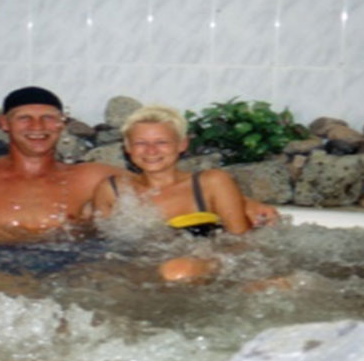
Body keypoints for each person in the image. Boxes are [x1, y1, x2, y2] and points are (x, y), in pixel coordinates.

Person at [0, 87, 276, 242]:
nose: (38, 127)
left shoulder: (91, 176)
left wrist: (243, 204)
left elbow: (161, 183)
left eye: (49, 118)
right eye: (26, 118)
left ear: (62, 125)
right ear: (5, 124)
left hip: (70, 265)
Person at [91, 105, 252, 280]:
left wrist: (206, 265)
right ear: (128, 147)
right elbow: (104, 246)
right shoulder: (113, 190)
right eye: (140, 143)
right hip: (141, 273)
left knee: (177, 271)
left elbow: (240, 242)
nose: (151, 150)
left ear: (182, 144)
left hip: (200, 270)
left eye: (162, 142)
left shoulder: (211, 183)